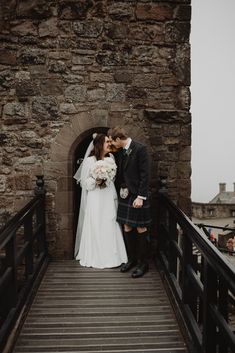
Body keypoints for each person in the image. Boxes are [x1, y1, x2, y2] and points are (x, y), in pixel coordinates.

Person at [73, 133, 127, 268]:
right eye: (107, 142)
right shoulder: (89, 161)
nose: (109, 144)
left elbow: (113, 178)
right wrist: (96, 180)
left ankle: (113, 255)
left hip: (108, 195)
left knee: (110, 221)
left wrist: (106, 177)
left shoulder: (111, 158)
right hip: (95, 196)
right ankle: (96, 255)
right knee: (96, 222)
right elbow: (84, 183)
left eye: (110, 141)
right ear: (99, 145)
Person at [108, 126, 151, 278]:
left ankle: (143, 263)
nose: (113, 144)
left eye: (113, 141)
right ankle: (131, 259)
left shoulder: (140, 149)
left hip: (137, 195)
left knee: (140, 228)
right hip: (125, 195)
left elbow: (145, 175)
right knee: (126, 226)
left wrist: (141, 197)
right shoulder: (120, 151)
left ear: (119, 139)